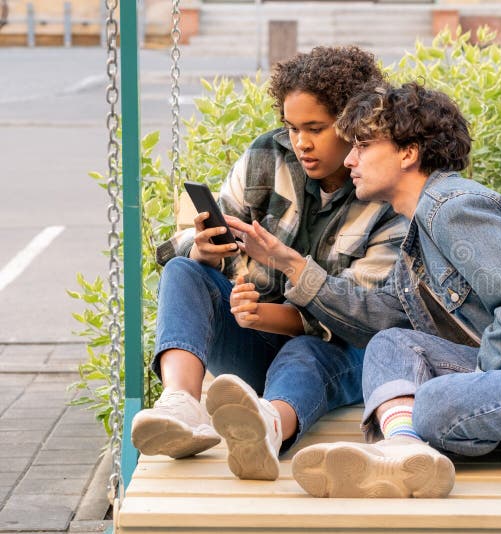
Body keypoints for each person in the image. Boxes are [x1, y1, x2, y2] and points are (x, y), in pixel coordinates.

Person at [255, 82, 501, 498]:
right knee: (389, 343)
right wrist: (293, 265)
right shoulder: (418, 235)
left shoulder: (452, 208)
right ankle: (404, 450)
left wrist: (480, 379)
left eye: (362, 145)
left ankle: (405, 446)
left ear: (408, 152)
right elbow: (382, 319)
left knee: (435, 404)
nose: (349, 159)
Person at [130, 46, 407, 482]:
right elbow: (178, 246)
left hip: (336, 352)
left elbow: (365, 316)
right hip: (253, 337)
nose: (301, 143)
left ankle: (268, 429)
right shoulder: (267, 157)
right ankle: (181, 408)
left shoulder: (384, 190)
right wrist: (204, 250)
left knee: (306, 353)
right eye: (293, 128)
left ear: (354, 125)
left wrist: (268, 314)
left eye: (316, 128)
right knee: (184, 270)